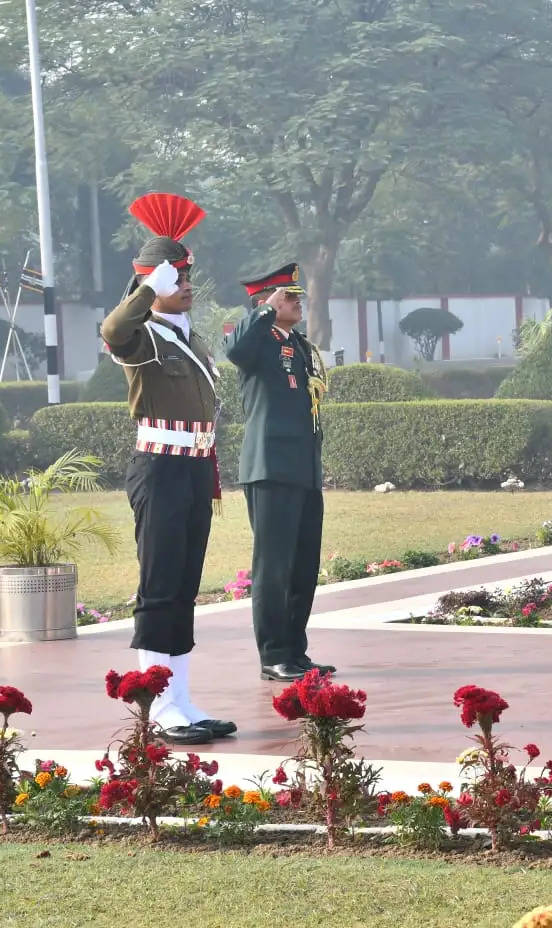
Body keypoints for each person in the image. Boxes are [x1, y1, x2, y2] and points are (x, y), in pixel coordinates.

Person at [100, 192, 236, 745]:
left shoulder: (186, 336)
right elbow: (112, 331)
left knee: (182, 587)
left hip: (192, 470)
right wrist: (146, 290)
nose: (187, 287)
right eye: (176, 280)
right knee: (159, 587)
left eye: (184, 278)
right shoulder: (143, 335)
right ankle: (155, 706)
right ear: (154, 284)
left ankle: (179, 698)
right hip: (158, 469)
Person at [225, 263, 335, 682]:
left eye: (296, 296)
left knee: (302, 563)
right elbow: (235, 351)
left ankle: (295, 649)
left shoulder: (298, 345)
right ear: (266, 301)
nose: (297, 302)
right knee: (273, 566)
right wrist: (264, 313)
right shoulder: (257, 339)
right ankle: (273, 653)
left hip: (303, 468)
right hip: (269, 468)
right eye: (288, 296)